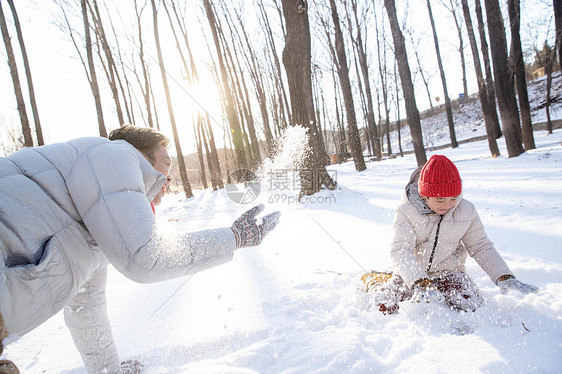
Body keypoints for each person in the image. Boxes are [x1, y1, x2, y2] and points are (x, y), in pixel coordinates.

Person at [0, 125, 280, 373]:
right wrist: (233, 237)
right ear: (141, 157)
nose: (169, 182)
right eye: (166, 164)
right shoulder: (116, 154)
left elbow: (87, 307)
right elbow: (147, 257)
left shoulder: (93, 216)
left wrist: (108, 371)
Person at [368, 154, 538, 314]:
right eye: (440, 200)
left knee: (472, 305)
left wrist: (504, 277)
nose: (447, 205)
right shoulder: (407, 211)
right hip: (413, 275)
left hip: (449, 272)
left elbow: (481, 246)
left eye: (453, 198)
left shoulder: (466, 211)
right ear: (424, 195)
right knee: (384, 305)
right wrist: (419, 282)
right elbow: (400, 250)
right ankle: (376, 282)